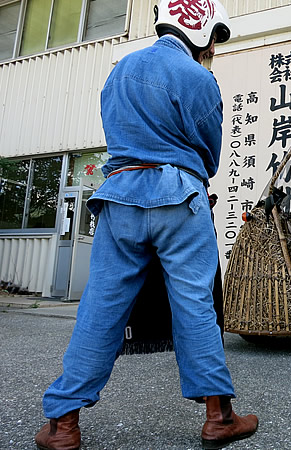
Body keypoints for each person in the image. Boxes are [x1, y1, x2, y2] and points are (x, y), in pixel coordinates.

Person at [34, 1, 258, 449]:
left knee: (100, 307)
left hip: (119, 195)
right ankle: (218, 417)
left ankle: (64, 425)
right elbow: (209, 155)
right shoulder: (200, 78)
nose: (213, 48)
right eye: (214, 38)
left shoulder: (121, 71)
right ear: (203, 32)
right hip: (179, 194)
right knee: (194, 303)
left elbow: (116, 133)